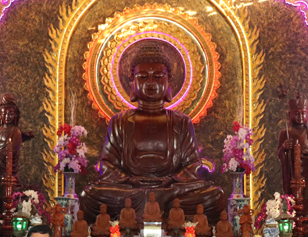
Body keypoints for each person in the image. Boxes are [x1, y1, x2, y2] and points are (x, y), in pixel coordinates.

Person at [79, 42, 226, 221]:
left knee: (215, 196)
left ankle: (155, 207)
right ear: (132, 82)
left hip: (170, 190)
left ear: (169, 81)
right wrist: (129, 180)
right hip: (131, 191)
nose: (150, 82)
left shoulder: (181, 121)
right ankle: (162, 210)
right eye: (143, 77)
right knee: (89, 195)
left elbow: (192, 165)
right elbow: (107, 165)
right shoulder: (120, 121)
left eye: (157, 76)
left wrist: (172, 179)